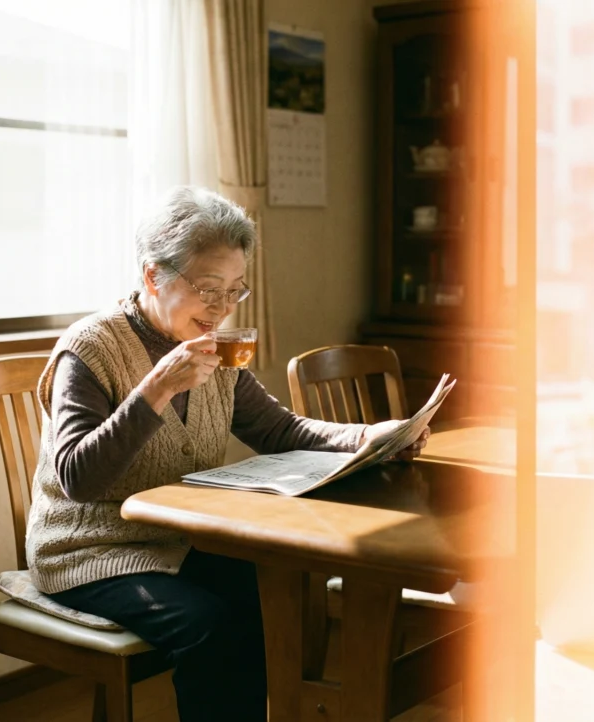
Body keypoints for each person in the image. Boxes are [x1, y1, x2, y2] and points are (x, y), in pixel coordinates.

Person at [25, 186, 428, 721]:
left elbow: (278, 429)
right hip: (88, 553)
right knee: (208, 625)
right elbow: (79, 478)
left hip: (175, 539)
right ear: (153, 275)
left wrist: (367, 437)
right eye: (209, 289)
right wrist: (156, 390)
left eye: (235, 291)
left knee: (272, 595)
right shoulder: (91, 347)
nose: (221, 308)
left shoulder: (214, 349)